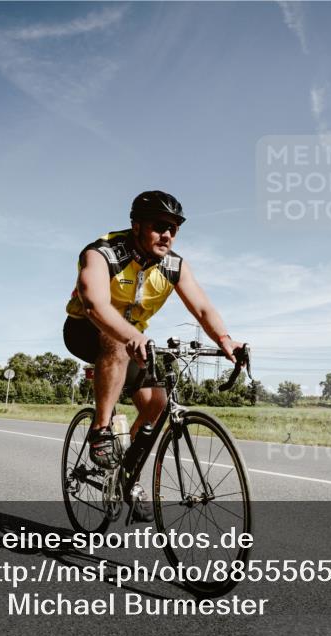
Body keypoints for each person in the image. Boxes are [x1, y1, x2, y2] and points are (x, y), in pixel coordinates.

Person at [63, 190, 245, 522]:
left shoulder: (173, 265)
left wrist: (225, 339)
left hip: (130, 339)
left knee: (156, 403)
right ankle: (100, 430)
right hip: (85, 329)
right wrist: (130, 335)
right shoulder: (102, 253)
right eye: (160, 226)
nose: (168, 235)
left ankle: (127, 471)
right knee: (114, 341)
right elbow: (95, 306)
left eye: (174, 228)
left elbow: (202, 307)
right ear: (136, 226)